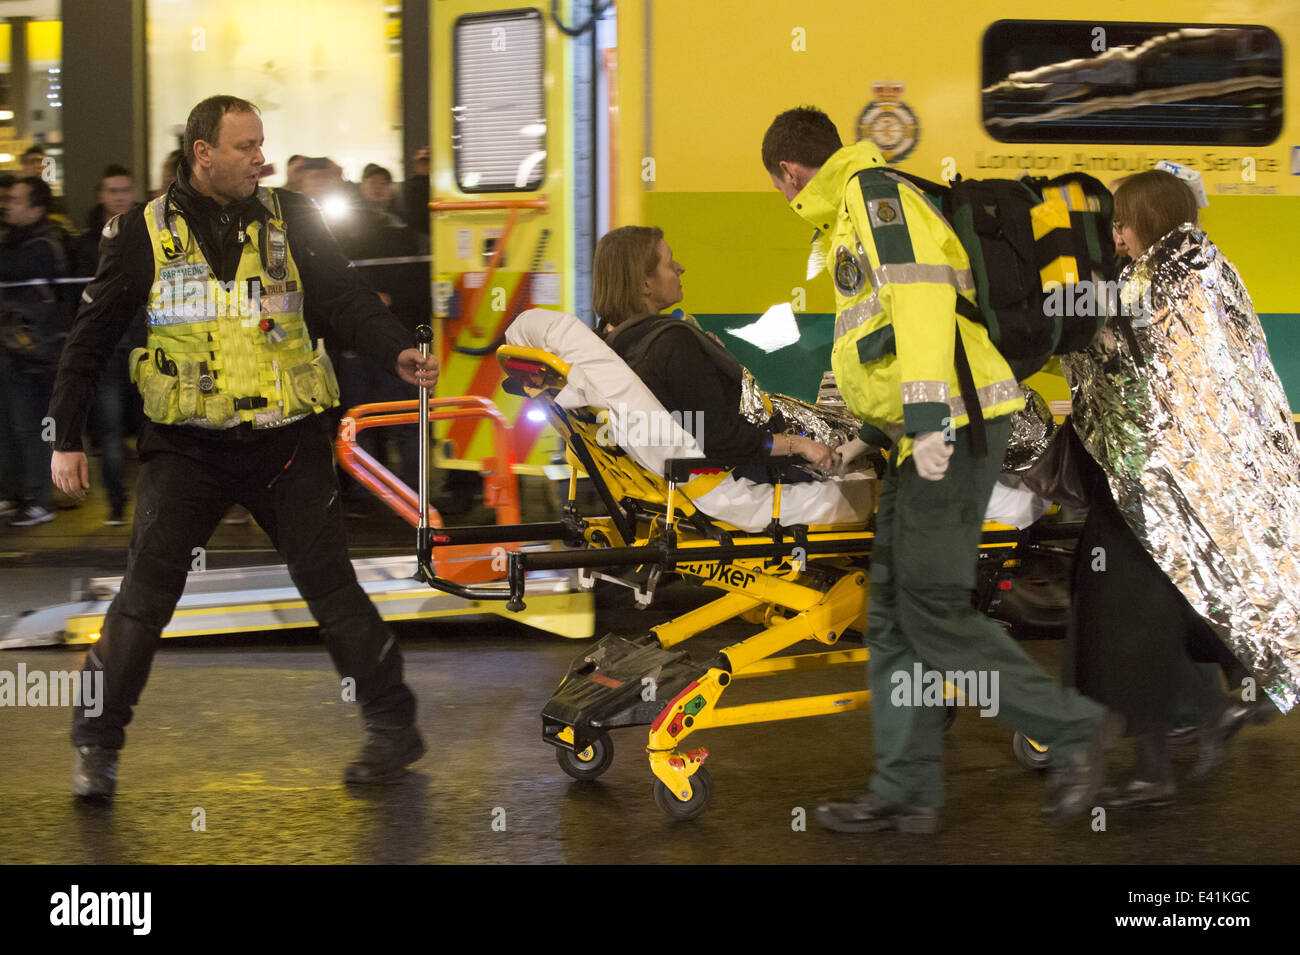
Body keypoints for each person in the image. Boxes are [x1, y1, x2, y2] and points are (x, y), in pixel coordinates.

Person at [47, 95, 440, 800]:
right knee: (142, 602)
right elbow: (90, 338)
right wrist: (65, 437)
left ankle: (392, 728)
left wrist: (396, 351)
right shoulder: (141, 232)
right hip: (185, 451)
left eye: (262, 144)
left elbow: (346, 297)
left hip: (286, 443)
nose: (262, 157)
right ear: (204, 154)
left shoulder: (293, 216)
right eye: (246, 146)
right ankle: (95, 746)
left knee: (332, 589)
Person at [761, 106, 1110, 832]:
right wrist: (868, 433)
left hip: (951, 427)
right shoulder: (854, 210)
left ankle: (1072, 727)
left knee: (927, 604)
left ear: (790, 173)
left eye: (779, 189)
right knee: (891, 615)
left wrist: (921, 426)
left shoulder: (870, 197)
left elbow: (921, 303)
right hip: (921, 431)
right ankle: (906, 787)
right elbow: (878, 344)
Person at [1062, 170, 1282, 807]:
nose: (1118, 235)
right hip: (1190, 480)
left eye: (1124, 222)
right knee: (1154, 605)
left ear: (1145, 221)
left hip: (1149, 484)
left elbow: (1121, 369)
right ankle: (1212, 711)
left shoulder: (1155, 281)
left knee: (1127, 611)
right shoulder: (1210, 268)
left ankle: (1175, 745)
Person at [593, 225, 844, 473]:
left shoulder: (606, 345)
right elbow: (720, 438)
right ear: (645, 285)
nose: (681, 268)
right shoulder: (672, 343)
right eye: (670, 264)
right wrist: (799, 444)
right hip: (742, 460)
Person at [1, 176, 72, 527]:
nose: (8, 205)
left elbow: (11, 269)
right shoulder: (19, 240)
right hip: (19, 350)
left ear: (36, 209)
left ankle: (39, 499)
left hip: (38, 353)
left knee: (35, 428)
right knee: (19, 426)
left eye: (15, 200)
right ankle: (23, 495)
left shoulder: (43, 245)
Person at [77, 165, 144, 525]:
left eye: (124, 190)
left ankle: (151, 504)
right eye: (112, 190)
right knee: (110, 429)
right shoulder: (88, 243)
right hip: (109, 346)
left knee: (153, 428)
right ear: (102, 195)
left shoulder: (149, 232)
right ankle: (117, 504)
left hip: (142, 342)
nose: (119, 197)